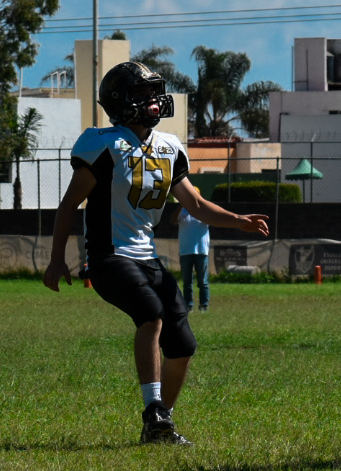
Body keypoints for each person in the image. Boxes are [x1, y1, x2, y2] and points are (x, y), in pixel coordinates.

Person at [42, 61, 269, 445]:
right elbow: (68, 206)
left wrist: (238, 219)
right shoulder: (102, 143)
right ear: (119, 101)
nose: (153, 100)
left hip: (147, 257)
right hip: (110, 256)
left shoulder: (169, 147)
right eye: (142, 94)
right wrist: (56, 257)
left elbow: (194, 204)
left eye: (153, 92)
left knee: (183, 345)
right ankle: (152, 409)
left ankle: (161, 422)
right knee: (150, 313)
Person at [174, 186, 211, 313]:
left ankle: (204, 305)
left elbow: (212, 220)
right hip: (185, 250)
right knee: (187, 281)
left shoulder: (204, 211)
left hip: (201, 250)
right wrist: (180, 205)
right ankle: (188, 305)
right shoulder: (182, 211)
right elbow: (172, 221)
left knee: (203, 281)